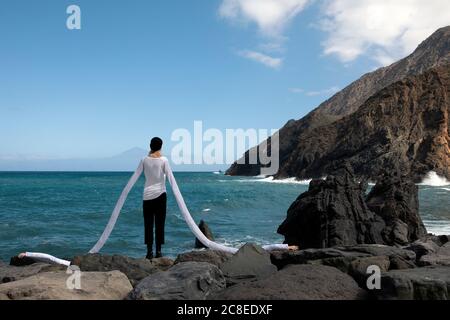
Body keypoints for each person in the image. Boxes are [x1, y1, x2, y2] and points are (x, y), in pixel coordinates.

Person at [142, 137, 171, 259]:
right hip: (161, 195)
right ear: (161, 146)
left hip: (147, 196)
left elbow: (134, 177)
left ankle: (149, 252)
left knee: (148, 224)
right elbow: (171, 178)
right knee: (160, 223)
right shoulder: (164, 160)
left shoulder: (144, 160)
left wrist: (124, 192)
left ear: (150, 146)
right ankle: (158, 251)